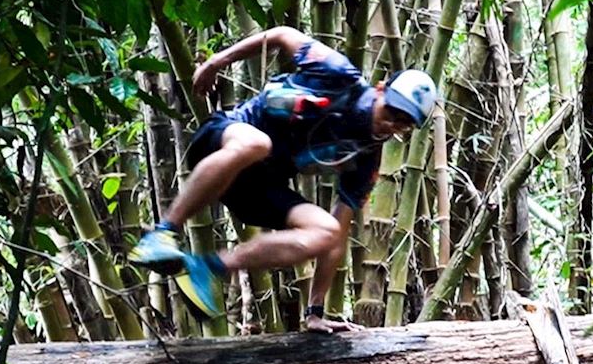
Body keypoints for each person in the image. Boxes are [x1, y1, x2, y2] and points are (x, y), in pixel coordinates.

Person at [129, 26, 439, 333]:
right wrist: (216, 62)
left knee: (327, 230)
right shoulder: (337, 73)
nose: (391, 125)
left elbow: (339, 231)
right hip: (224, 140)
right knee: (257, 144)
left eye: (403, 124)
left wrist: (316, 311)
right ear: (381, 88)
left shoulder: (366, 157)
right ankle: (163, 233)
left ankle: (208, 267)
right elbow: (281, 34)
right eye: (391, 112)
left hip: (258, 188)